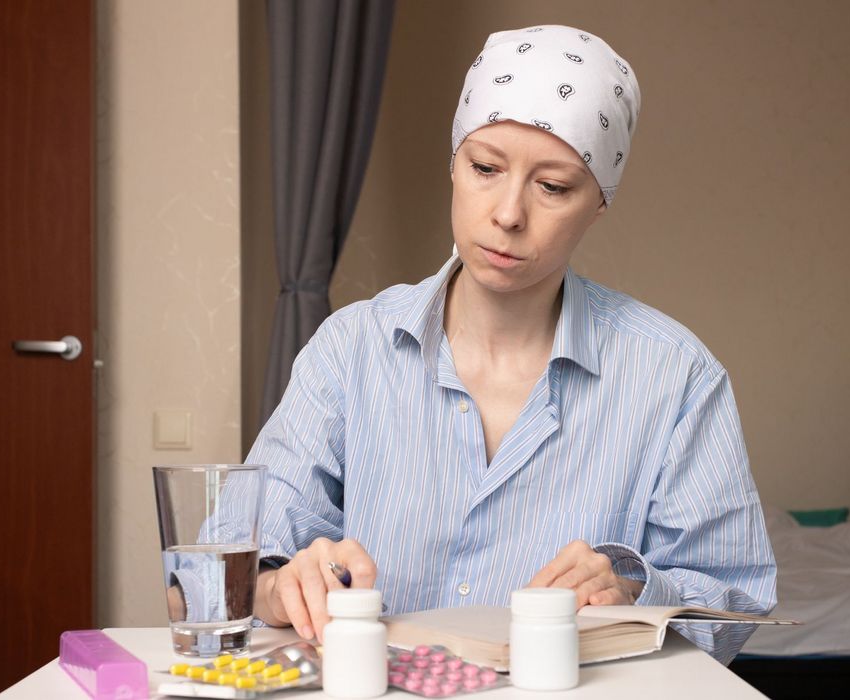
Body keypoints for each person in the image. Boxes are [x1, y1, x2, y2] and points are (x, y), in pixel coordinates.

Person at [247, 24, 777, 664]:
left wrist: (633, 591)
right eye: (485, 168)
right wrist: (278, 587)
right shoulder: (350, 349)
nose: (507, 214)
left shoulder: (677, 377)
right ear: (453, 165)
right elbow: (209, 579)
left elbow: (734, 605)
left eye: (552, 187)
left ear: (598, 203)